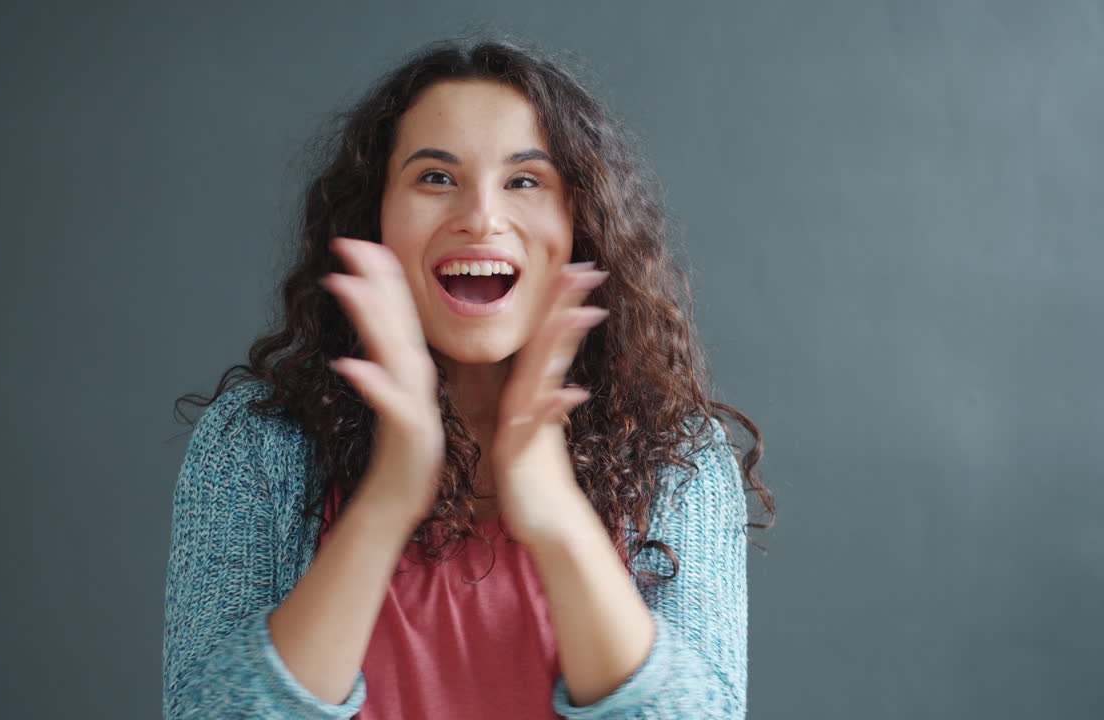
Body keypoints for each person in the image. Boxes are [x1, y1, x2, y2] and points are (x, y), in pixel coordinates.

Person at [163, 35, 774, 720]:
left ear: (582, 222)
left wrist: (558, 519)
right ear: (376, 218)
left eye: (524, 181)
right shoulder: (256, 443)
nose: (481, 217)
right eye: (435, 178)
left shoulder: (677, 457)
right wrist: (389, 499)